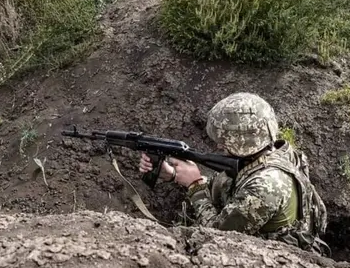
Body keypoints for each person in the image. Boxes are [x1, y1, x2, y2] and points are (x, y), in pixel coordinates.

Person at [139, 92, 330, 256]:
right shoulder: (273, 155)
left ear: (239, 140)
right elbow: (231, 190)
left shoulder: (267, 185)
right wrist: (174, 175)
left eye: (222, 141)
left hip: (275, 263)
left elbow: (217, 234)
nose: (217, 146)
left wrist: (195, 186)